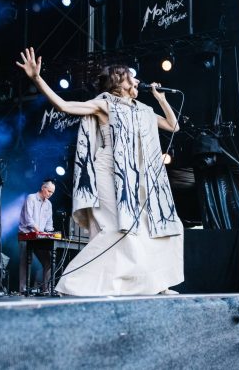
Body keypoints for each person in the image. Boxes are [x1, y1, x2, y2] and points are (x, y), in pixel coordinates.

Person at [16, 48, 183, 296]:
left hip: (139, 176)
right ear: (120, 81)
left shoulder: (142, 110)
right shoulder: (104, 104)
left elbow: (173, 125)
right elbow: (63, 105)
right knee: (117, 228)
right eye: (131, 77)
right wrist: (37, 78)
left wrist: (161, 99)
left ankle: (155, 284)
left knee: (158, 226)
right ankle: (72, 282)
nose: (137, 80)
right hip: (108, 170)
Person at [18, 179, 55, 293]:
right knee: (25, 263)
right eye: (49, 191)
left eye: (52, 192)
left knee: (48, 262)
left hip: (39, 238)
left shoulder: (49, 204)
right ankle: (22, 290)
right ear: (43, 188)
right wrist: (39, 231)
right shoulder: (31, 198)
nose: (50, 194)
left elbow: (49, 224)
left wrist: (51, 233)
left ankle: (46, 289)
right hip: (26, 235)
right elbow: (29, 219)